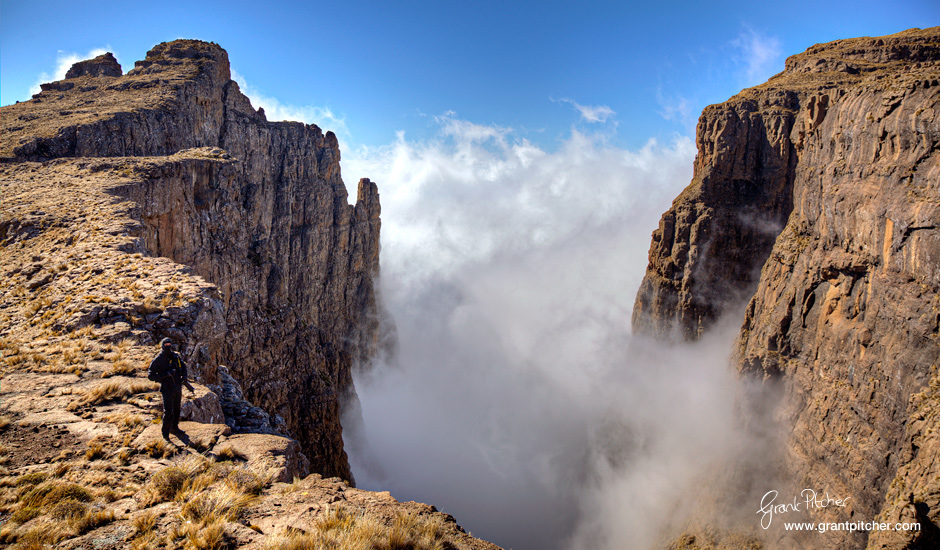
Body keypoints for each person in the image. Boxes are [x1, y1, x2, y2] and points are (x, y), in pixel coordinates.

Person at [148, 338, 195, 440]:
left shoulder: (175, 356)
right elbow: (150, 375)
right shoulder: (158, 359)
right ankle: (165, 434)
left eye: (170, 344)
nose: (168, 346)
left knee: (177, 410)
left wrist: (185, 377)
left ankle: (174, 428)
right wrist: (165, 375)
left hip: (177, 387)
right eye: (166, 344)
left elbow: (183, 367)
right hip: (167, 389)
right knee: (168, 412)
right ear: (162, 346)